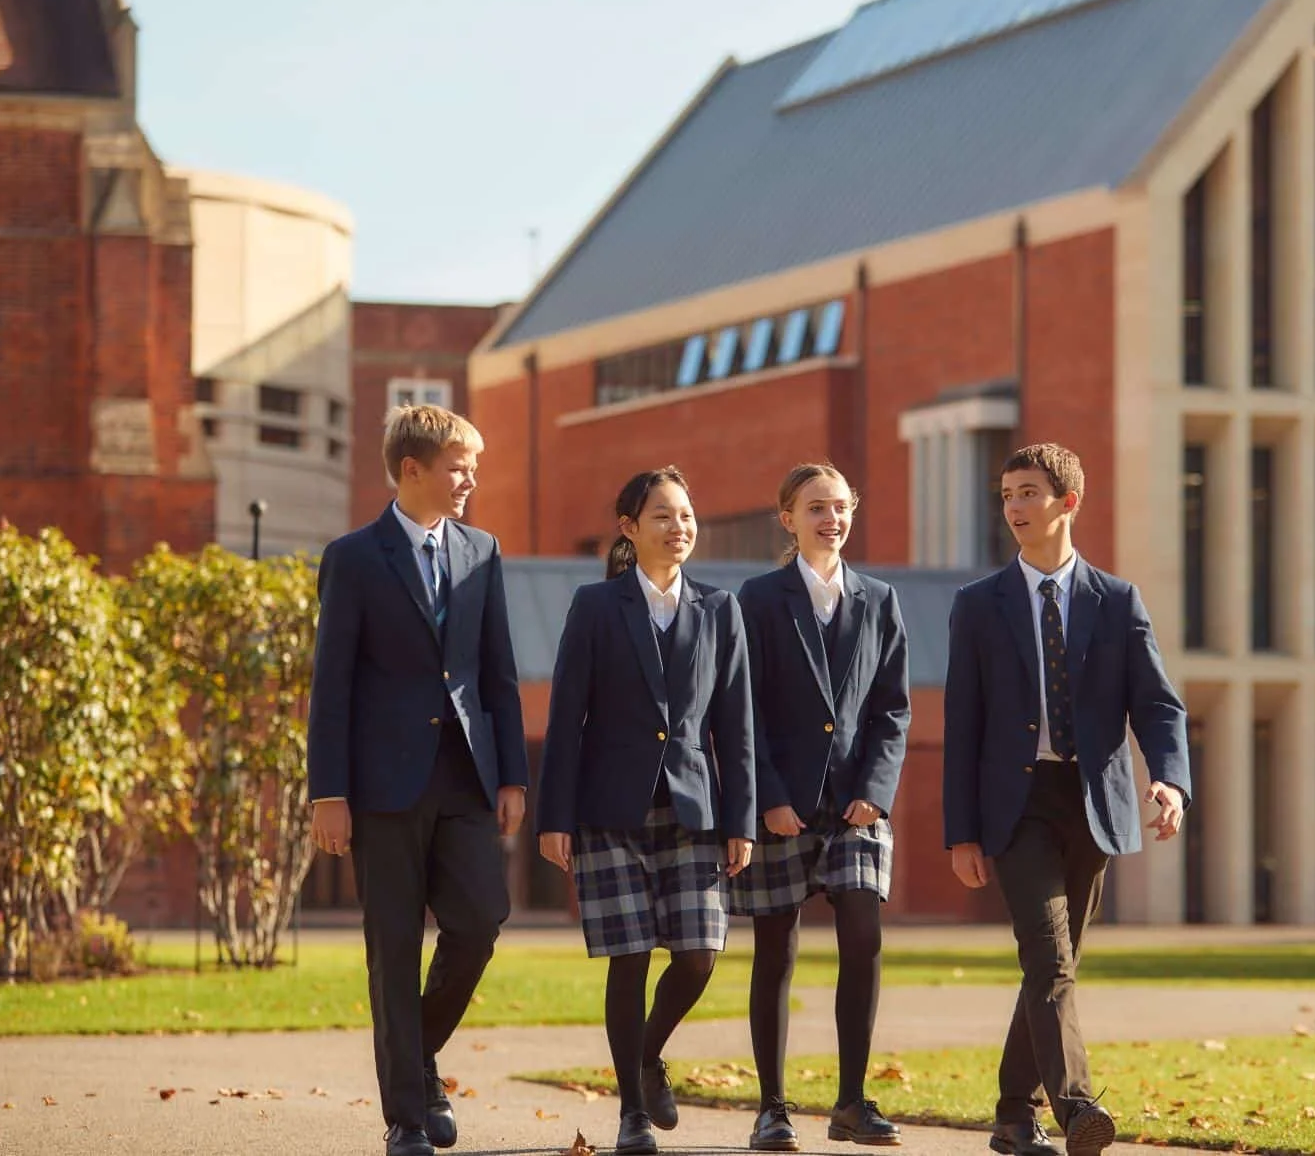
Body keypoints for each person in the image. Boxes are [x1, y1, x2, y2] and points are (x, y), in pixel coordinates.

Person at [942, 442, 1190, 1156]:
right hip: (1013, 807)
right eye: (1006, 493)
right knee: (1048, 959)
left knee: (1052, 967)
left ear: (1066, 503)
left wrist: (1168, 779)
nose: (1013, 506)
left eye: (1027, 493)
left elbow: (1157, 704)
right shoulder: (977, 605)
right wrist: (961, 832)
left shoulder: (1115, 601)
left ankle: (1013, 1116)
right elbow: (963, 725)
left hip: (1092, 802)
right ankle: (1077, 1106)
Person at [307, 404, 529, 1156]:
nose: (470, 479)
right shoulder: (354, 558)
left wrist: (512, 778)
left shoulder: (482, 551)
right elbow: (330, 683)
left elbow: (496, 671)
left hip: (466, 777)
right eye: (458, 466)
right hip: (380, 787)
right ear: (412, 470)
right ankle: (406, 1115)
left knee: (479, 922)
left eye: (472, 466)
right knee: (393, 947)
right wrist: (327, 792)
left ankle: (415, 1063)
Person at [535, 465, 757, 1156]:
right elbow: (566, 715)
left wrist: (741, 820)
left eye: (686, 514)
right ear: (629, 529)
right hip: (609, 810)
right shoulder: (595, 608)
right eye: (662, 515)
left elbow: (737, 724)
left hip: (693, 810)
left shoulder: (721, 609)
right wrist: (555, 817)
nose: (679, 526)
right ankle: (632, 1114)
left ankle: (646, 1055)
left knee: (697, 957)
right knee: (628, 958)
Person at [731, 463, 911, 1151]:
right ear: (787, 518)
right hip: (782, 809)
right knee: (775, 950)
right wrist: (768, 798)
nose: (830, 519)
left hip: (857, 808)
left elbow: (892, 709)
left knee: (862, 937)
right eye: (815, 508)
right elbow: (739, 710)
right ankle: (771, 1109)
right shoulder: (757, 599)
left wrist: (877, 788)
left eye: (839, 507)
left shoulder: (880, 600)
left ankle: (850, 1102)